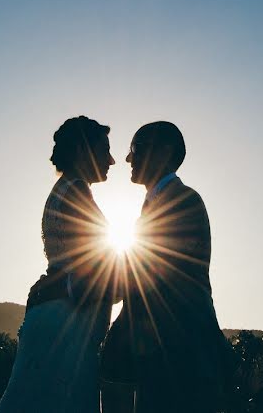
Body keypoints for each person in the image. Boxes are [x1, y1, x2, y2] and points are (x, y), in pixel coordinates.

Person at [100, 121, 231, 413]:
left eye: (136, 148)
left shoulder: (182, 201)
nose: (128, 159)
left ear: (164, 151)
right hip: (163, 354)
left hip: (181, 353)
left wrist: (76, 288)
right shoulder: (158, 204)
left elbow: (146, 275)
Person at [0, 116, 118, 413]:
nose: (112, 160)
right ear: (81, 150)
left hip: (57, 318)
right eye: (104, 150)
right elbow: (96, 273)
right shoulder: (76, 193)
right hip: (66, 324)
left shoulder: (66, 191)